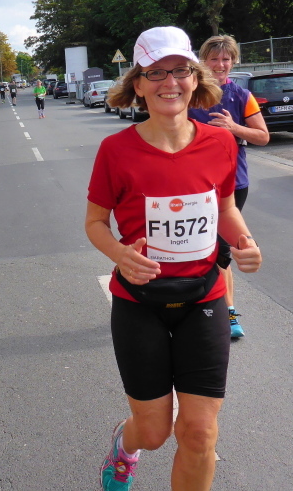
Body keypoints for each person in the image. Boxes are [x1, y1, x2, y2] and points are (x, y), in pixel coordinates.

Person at [85, 26, 262, 491]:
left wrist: (244, 242)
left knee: (200, 432)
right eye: (155, 73)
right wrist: (120, 254)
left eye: (180, 70)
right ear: (138, 84)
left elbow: (225, 208)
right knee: (154, 433)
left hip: (204, 297)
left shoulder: (220, 142)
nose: (170, 82)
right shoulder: (116, 150)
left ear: (195, 77)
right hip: (139, 303)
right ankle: (124, 447)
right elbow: (95, 222)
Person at [188, 35, 270, 339]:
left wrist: (234, 128)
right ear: (203, 61)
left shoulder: (241, 96)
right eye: (214, 59)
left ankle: (228, 312)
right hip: (192, 184)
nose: (220, 65)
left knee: (221, 249)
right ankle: (198, 303)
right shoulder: (191, 93)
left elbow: (263, 137)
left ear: (233, 62)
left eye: (226, 59)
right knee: (199, 246)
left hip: (232, 184)